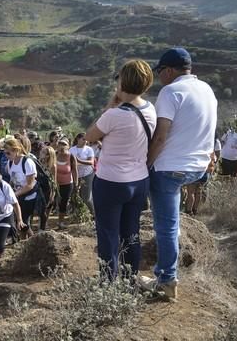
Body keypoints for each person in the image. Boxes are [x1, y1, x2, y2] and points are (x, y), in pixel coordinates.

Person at [141, 47, 218, 301]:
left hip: (169, 168)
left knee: (165, 227)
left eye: (161, 71)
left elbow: (161, 135)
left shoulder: (171, 91)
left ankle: (166, 281)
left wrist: (146, 164)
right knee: (171, 222)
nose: (160, 76)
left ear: (170, 70)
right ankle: (167, 272)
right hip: (196, 168)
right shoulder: (206, 89)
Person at [85, 59, 157, 280]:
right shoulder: (151, 109)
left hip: (110, 182)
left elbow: (89, 137)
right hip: (139, 182)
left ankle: (108, 283)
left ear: (122, 82)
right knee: (131, 234)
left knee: (108, 235)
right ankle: (129, 280)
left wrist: (110, 105)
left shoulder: (114, 115)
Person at [4, 138, 37, 237]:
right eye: (5, 153)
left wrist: (14, 194)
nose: (6, 156)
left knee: (24, 222)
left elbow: (30, 185)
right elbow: (12, 180)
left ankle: (34, 242)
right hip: (18, 195)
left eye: (8, 153)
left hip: (29, 196)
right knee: (20, 223)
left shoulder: (27, 162)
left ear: (16, 150)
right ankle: (24, 244)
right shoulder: (10, 163)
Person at [69, 133, 95, 215]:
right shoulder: (71, 150)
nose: (85, 141)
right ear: (78, 139)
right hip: (75, 175)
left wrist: (78, 161)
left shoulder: (89, 149)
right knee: (76, 196)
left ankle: (94, 213)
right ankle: (78, 214)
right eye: (83, 139)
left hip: (87, 174)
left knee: (86, 197)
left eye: (86, 139)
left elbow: (91, 162)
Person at [55, 139, 78, 229]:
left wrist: (76, 184)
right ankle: (43, 223)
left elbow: (74, 171)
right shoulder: (54, 155)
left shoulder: (71, 156)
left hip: (67, 184)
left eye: (64, 144)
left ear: (68, 146)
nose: (62, 146)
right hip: (54, 184)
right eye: (60, 144)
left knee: (63, 202)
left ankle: (60, 222)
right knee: (50, 202)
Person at [37, 145, 57, 232]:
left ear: (49, 155)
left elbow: (54, 181)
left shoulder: (52, 166)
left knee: (46, 209)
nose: (41, 153)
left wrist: (53, 194)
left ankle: (42, 227)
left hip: (48, 189)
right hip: (39, 188)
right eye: (42, 151)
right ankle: (41, 225)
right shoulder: (38, 163)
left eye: (44, 153)